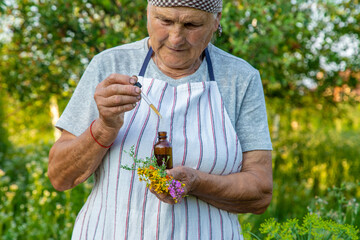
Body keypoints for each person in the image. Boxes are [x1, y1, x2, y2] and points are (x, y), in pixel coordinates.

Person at [48, 0, 273, 239]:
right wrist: (104, 127)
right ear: (148, 13)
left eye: (191, 24)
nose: (176, 38)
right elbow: (60, 177)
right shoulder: (111, 65)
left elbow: (260, 193)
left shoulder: (240, 79)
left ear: (216, 20)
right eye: (164, 21)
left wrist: (195, 182)